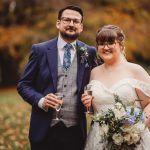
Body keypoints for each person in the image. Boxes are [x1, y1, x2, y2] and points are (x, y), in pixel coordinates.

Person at [17, 5, 97, 150]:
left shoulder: (89, 52)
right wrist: (41, 100)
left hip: (75, 131)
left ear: (81, 26)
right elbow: (23, 85)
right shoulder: (40, 50)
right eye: (67, 20)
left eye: (75, 21)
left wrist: (92, 98)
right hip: (43, 130)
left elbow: (97, 83)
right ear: (58, 23)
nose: (71, 24)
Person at [81, 25, 150, 149]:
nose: (105, 47)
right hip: (99, 140)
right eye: (101, 44)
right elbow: (93, 112)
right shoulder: (94, 72)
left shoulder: (135, 70)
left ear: (121, 46)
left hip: (133, 141)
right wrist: (88, 104)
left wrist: (135, 129)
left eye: (111, 43)